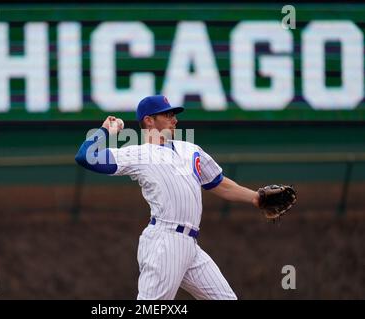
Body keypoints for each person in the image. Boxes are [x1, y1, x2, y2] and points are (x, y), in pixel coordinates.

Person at [75, 95, 262, 300]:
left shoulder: (189, 150)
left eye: (174, 115)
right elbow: (86, 157)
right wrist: (105, 132)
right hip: (164, 241)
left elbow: (219, 183)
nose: (175, 120)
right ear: (149, 120)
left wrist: (256, 198)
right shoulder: (139, 154)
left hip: (191, 247)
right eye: (167, 114)